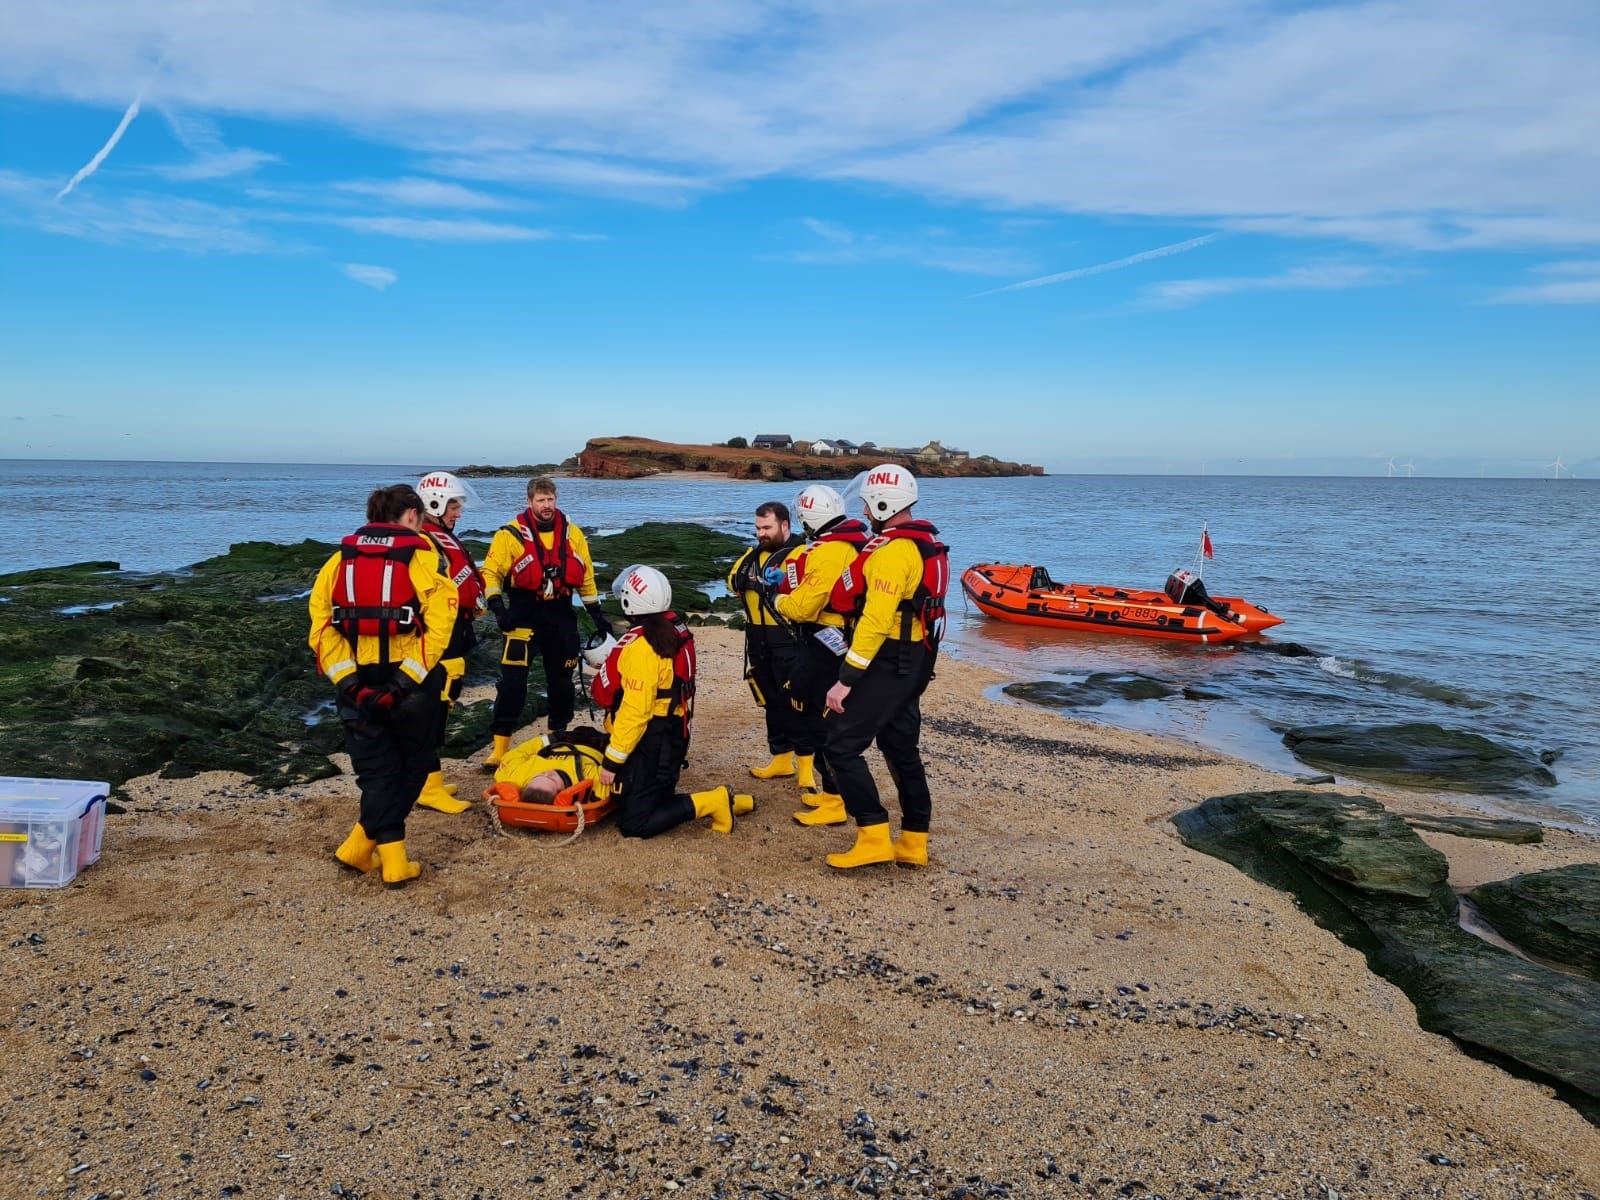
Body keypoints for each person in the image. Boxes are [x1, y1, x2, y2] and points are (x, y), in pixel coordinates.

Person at [309, 484, 458, 886]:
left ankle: (373, 852)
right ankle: (386, 860)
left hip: (355, 683)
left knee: (377, 773)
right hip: (411, 686)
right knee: (414, 767)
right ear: (411, 516)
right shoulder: (426, 560)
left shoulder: (337, 562)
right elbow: (440, 628)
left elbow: (321, 629)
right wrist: (401, 684)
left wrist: (352, 685)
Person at [821, 464, 949, 870]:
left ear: (882, 503)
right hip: (917, 659)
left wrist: (846, 680)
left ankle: (873, 835)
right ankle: (913, 841)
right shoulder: (924, 544)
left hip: (891, 659)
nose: (863, 509)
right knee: (900, 748)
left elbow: (876, 622)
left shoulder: (893, 553)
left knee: (840, 746)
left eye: (867, 503)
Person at [592, 564, 752, 839]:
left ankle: (716, 802)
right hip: (674, 730)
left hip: (653, 737)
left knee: (634, 824)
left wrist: (612, 762)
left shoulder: (643, 647)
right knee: (646, 796)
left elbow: (636, 712)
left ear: (630, 601)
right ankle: (736, 802)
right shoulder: (674, 630)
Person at [480, 477, 608, 768]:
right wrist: (498, 609)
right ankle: (500, 748)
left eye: (550, 499)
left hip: (561, 617)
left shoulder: (573, 534)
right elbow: (490, 574)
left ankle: (557, 737)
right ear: (529, 502)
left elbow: (586, 577)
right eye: (541, 500)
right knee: (512, 684)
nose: (547, 505)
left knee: (562, 683)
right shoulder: (509, 535)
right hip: (522, 618)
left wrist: (597, 615)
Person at [772, 484, 870, 827]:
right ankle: (832, 794)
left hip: (825, 642)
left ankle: (834, 800)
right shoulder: (852, 542)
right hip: (839, 638)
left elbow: (803, 606)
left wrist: (778, 599)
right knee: (823, 719)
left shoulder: (829, 551)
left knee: (818, 719)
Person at [413, 470, 487, 814]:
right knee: (435, 706)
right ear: (435, 504)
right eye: (455, 506)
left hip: (454, 630)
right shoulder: (426, 543)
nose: (459, 513)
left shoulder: (439, 537)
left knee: (443, 704)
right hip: (439, 636)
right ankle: (428, 787)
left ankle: (430, 780)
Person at [726, 501, 810, 784]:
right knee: (770, 702)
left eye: (767, 527)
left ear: (785, 525)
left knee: (796, 703)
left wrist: (769, 583)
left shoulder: (800, 554)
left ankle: (807, 770)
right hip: (757, 638)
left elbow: (805, 592)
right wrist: (751, 582)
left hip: (788, 638)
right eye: (758, 528)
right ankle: (781, 759)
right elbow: (732, 580)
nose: (760, 533)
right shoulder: (752, 555)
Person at [490, 729, 607, 802]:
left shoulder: (516, 776)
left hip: (562, 739)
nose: (548, 772)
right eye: (552, 779)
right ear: (561, 792)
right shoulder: (585, 780)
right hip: (595, 745)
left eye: (540, 775)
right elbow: (610, 775)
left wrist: (549, 739)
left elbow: (519, 752)